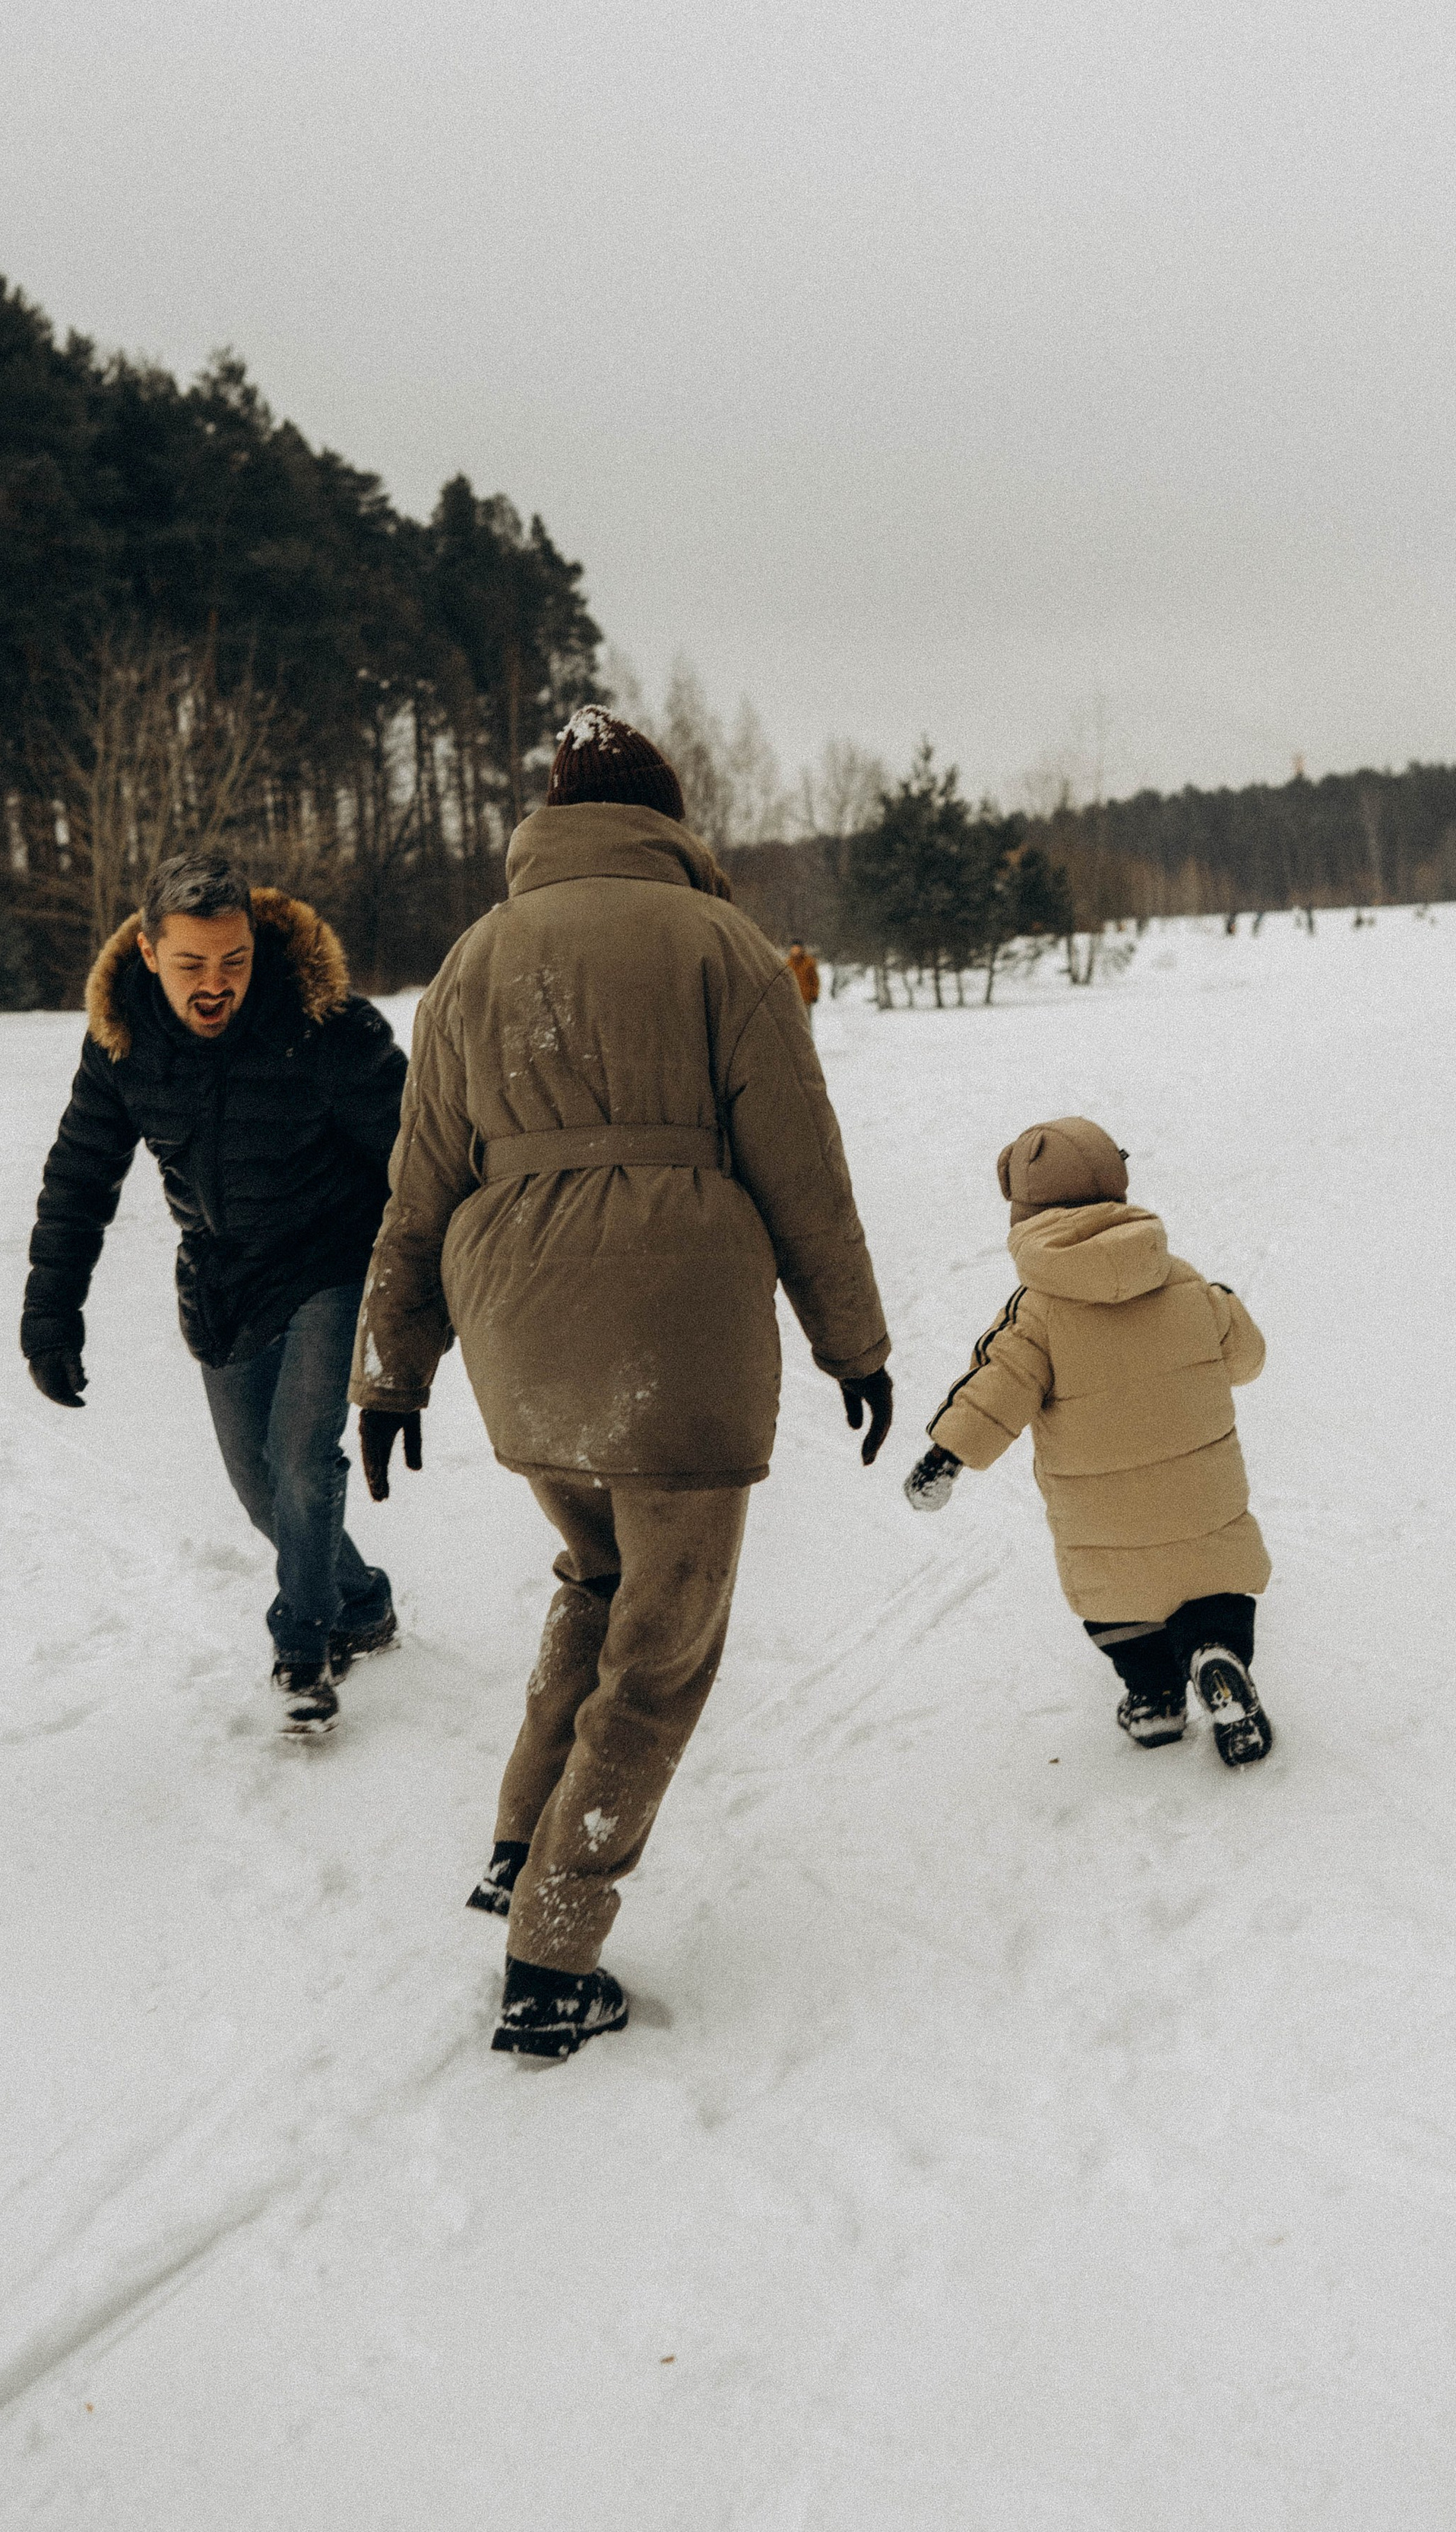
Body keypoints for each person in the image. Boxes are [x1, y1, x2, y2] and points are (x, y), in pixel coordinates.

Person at [351, 708, 892, 2060]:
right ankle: (552, 1956)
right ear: (668, 821)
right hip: (679, 1342)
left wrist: (392, 1370)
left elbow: (418, 1187)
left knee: (598, 1578)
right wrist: (855, 1344)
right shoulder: (721, 945)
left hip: (523, 1343)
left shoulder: (473, 960)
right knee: (663, 1648)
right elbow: (802, 1167)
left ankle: (517, 1836)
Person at [21, 852, 408, 1739]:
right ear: (150, 954)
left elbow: (418, 1156)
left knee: (305, 1459)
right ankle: (361, 1603)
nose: (215, 984)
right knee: (258, 1486)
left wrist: (423, 1300)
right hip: (223, 1276)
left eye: (233, 962)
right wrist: (51, 1314)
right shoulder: (123, 1042)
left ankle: (303, 1652)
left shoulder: (324, 1025)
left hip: (334, 1258)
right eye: (192, 964)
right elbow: (81, 1176)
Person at [902, 1117, 1274, 1767]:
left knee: (1118, 1600)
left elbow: (997, 1386)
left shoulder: (1036, 1311)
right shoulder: (1184, 1281)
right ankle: (1216, 1657)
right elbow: (1246, 1358)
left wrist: (947, 1454)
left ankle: (1155, 1697)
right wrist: (1223, 1307)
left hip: (1105, 1520)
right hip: (1202, 1499)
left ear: (1023, 1213)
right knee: (1214, 1587)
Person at [786, 937, 821, 1028]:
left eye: (798, 949)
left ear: (802, 949)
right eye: (794, 949)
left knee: (806, 1023)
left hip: (806, 999)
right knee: (794, 1023)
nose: (796, 951)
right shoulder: (788, 963)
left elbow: (815, 980)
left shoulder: (809, 962)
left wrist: (814, 994)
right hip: (793, 999)